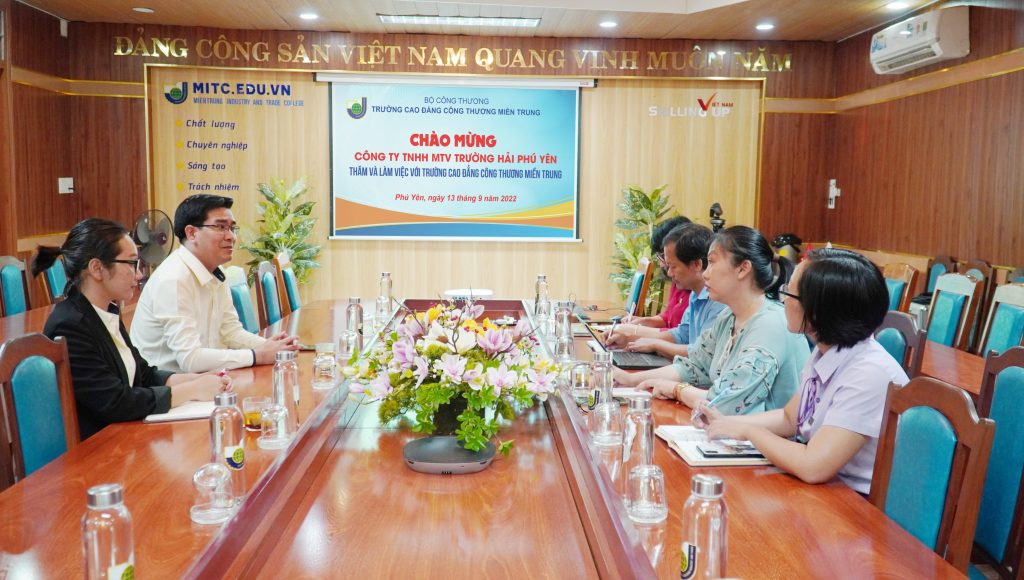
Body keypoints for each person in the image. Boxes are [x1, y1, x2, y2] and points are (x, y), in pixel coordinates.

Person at [696, 249, 908, 494]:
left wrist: (749, 432)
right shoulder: (825, 351)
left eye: (789, 293)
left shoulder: (869, 373)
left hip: (854, 501)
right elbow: (790, 418)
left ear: (819, 310)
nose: (783, 300)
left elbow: (813, 466)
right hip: (829, 489)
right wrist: (726, 423)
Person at [35, 219, 229, 440]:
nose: (138, 275)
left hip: (123, 435)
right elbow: (115, 402)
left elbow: (143, 374)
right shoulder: (69, 325)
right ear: (97, 268)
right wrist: (192, 390)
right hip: (100, 446)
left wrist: (196, 380)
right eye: (131, 263)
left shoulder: (105, 312)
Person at [615, 225, 809, 415]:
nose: (706, 273)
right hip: (732, 432)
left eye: (712, 262)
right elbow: (693, 366)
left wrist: (677, 389)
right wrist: (629, 380)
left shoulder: (769, 325)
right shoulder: (728, 317)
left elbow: (728, 402)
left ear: (743, 269)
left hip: (765, 436)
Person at [130, 194, 298, 373]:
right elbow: (190, 359)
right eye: (220, 227)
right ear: (192, 233)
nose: (231, 237)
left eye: (232, 228)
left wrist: (271, 347)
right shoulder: (174, 279)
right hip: (169, 385)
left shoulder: (216, 271)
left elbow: (231, 331)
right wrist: (258, 355)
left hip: (206, 377)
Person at [606, 223, 726, 359]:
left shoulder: (719, 301)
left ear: (696, 264)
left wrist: (655, 345)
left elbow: (703, 355)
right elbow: (681, 335)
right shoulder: (695, 294)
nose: (669, 273)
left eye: (673, 266)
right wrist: (628, 339)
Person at [623, 215, 692, 329]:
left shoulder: (694, 288)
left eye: (662, 257)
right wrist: (641, 321)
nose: (661, 264)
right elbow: (667, 318)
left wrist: (636, 332)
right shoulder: (678, 279)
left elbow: (680, 335)